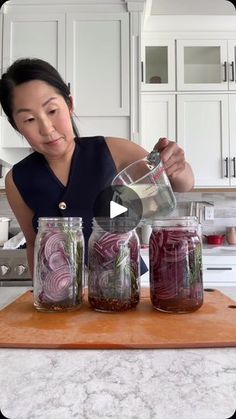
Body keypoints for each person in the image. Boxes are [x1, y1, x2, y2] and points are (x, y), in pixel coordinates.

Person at [0, 58, 194, 275]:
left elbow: (181, 184)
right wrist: (43, 296)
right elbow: (35, 244)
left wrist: (177, 166)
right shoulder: (17, 179)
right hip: (64, 297)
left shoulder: (113, 150)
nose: (46, 128)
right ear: (16, 126)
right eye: (29, 119)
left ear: (70, 104)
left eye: (52, 111)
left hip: (125, 285)